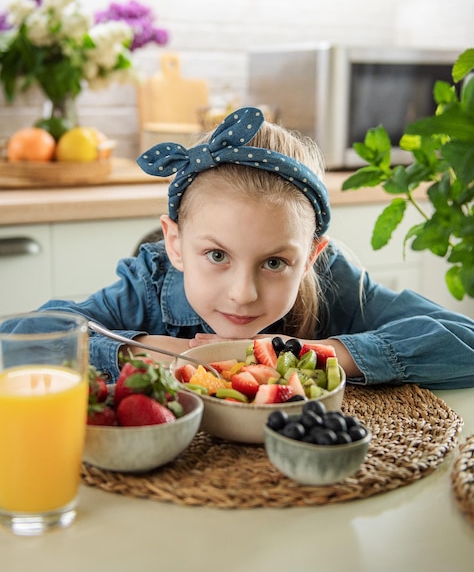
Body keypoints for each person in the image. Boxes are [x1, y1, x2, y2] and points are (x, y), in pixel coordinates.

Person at [37, 107, 473, 389]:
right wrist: (147, 350)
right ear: (175, 244)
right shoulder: (147, 285)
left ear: (310, 260)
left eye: (275, 262)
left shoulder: (335, 281)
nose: (243, 294)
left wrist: (316, 353)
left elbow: (464, 341)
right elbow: (21, 340)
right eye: (217, 255)